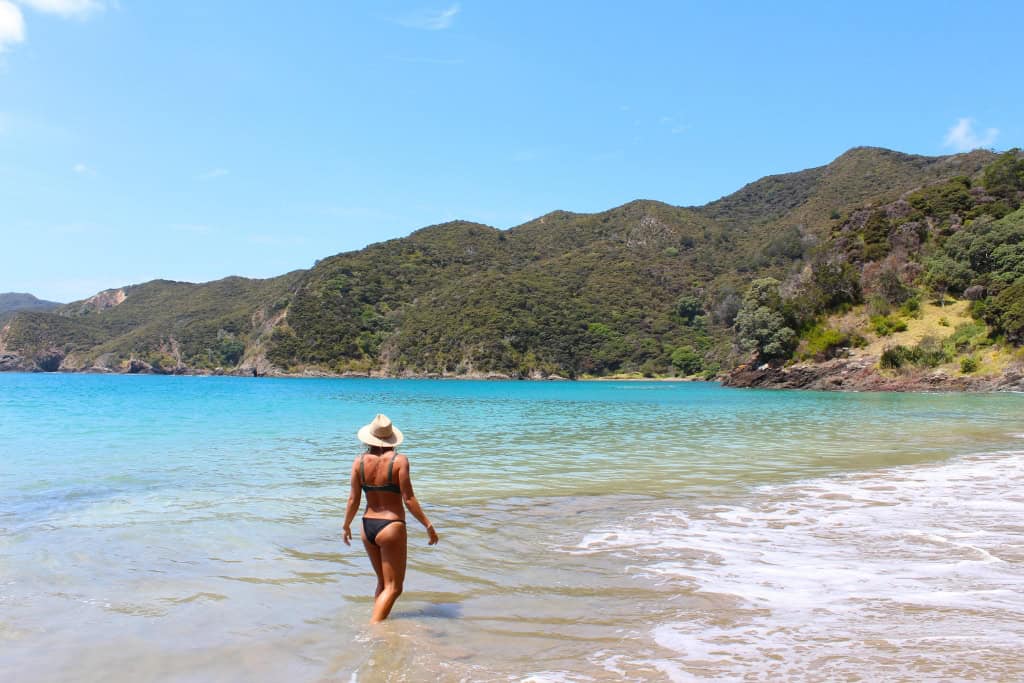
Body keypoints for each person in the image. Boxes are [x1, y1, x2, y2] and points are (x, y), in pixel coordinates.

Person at [342, 414, 439, 623]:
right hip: (391, 525)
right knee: (394, 588)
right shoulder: (399, 461)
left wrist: (346, 525)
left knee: (382, 583)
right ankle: (374, 629)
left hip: (367, 526)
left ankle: (380, 629)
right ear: (391, 438)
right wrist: (428, 525)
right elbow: (409, 499)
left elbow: (353, 499)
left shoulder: (358, 462)